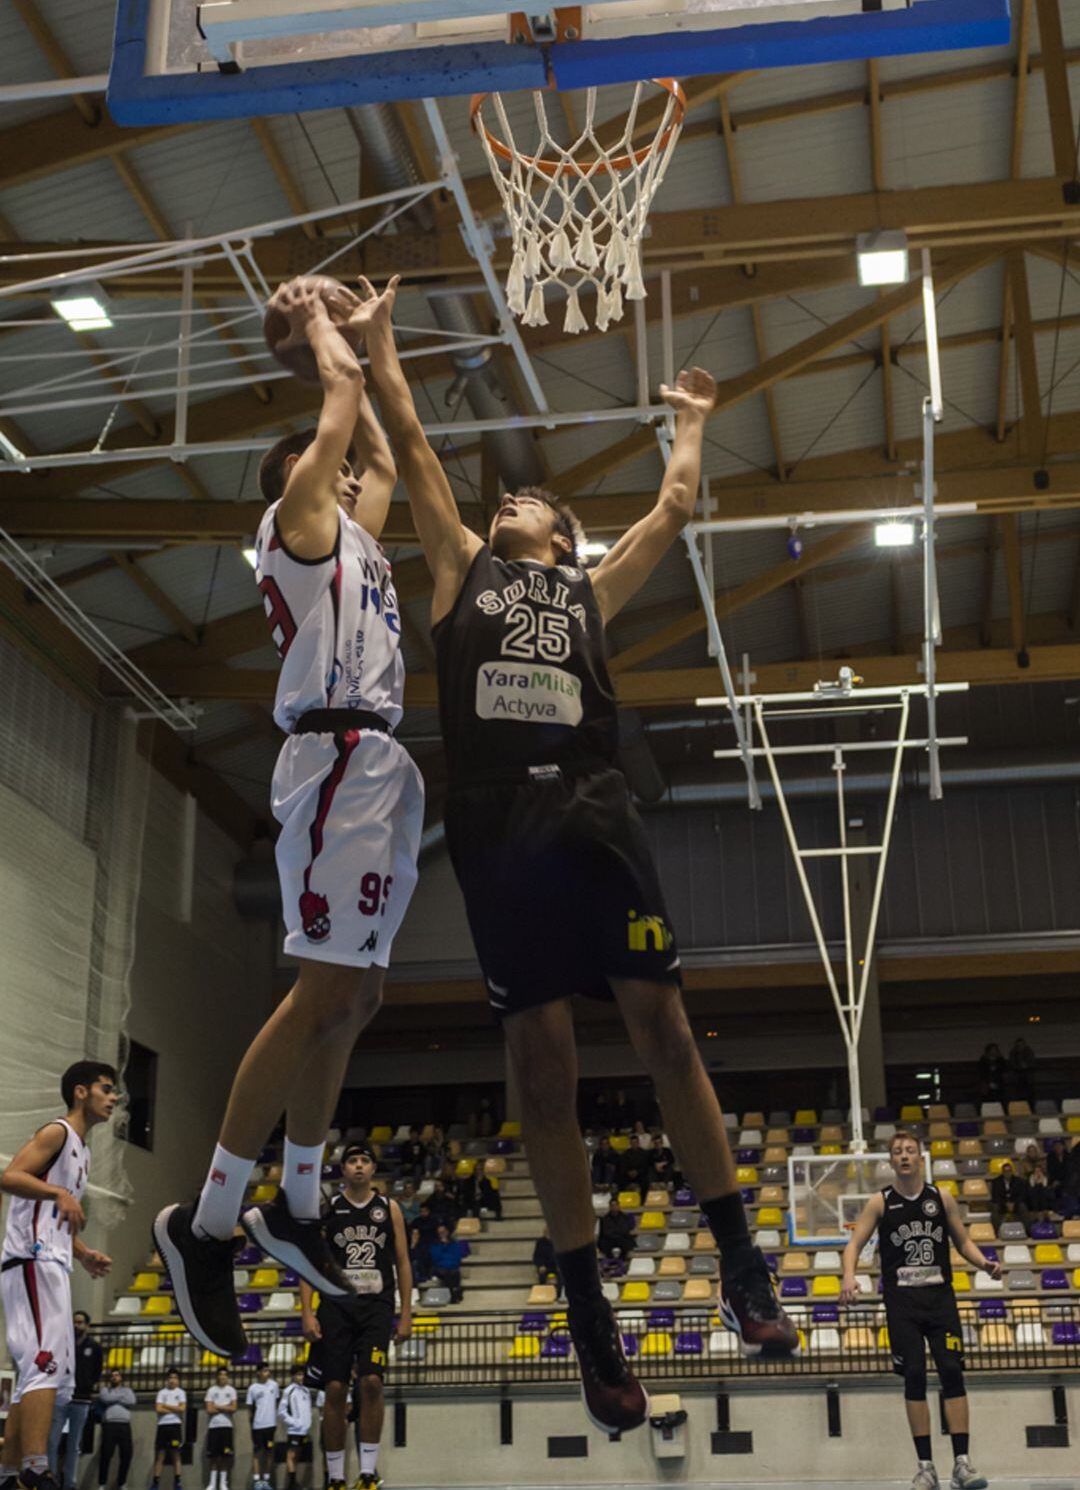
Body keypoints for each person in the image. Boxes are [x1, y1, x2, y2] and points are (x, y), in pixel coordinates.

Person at [361, 280, 797, 1433]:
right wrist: (378, 342)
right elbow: (408, 436)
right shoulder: (461, 567)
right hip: (500, 825)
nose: (509, 498)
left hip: (597, 812)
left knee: (663, 1029)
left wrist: (692, 419)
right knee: (544, 1072)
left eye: (532, 500)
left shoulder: (589, 589)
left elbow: (673, 507)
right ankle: (596, 1334)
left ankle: (743, 1263)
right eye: (505, 496)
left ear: (560, 537)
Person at [154, 276, 424, 1359]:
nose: (356, 475)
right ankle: (208, 1221)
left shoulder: (355, 537)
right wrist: (323, 328)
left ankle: (296, 1200)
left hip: (383, 759)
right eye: (335, 464)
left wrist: (382, 335)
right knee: (320, 984)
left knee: (360, 991)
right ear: (303, 484)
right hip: (334, 752)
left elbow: (390, 459)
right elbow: (346, 407)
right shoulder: (297, 520)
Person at [841, 1130, 1001, 1490]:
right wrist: (849, 1276)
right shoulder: (880, 1202)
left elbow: (961, 1240)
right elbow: (854, 1244)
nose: (904, 1156)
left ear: (921, 1157)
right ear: (891, 1160)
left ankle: (962, 1463)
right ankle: (926, 1467)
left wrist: (983, 1264)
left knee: (951, 1373)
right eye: (898, 1151)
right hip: (902, 1304)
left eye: (910, 1150)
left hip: (940, 1301)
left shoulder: (940, 1198)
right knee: (914, 1375)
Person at [0, 1062, 116, 1490]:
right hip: (30, 1261)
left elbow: (52, 1214)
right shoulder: (57, 1132)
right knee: (44, 1366)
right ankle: (35, 1465)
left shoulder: (82, 1151)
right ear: (81, 1092)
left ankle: (9, 1474)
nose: (114, 1097)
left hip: (54, 1262)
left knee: (45, 1374)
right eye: (106, 1089)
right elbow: (9, 1177)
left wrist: (82, 1252)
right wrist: (59, 1191)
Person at [301, 1144, 412, 1490]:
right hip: (335, 1305)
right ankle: (335, 1477)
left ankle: (367, 1473)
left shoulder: (388, 1208)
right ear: (343, 1170)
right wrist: (306, 1311)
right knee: (334, 1388)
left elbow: (403, 1262)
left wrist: (407, 1312)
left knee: (372, 1382)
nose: (359, 1166)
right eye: (353, 1160)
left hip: (376, 1305)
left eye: (365, 1160)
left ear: (373, 1169)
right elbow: (309, 1259)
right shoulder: (329, 1207)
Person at [49, 1310, 102, 1489]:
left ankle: (70, 1483)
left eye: (80, 1322)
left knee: (74, 1444)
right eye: (74, 1322)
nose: (76, 1325)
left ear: (87, 1326)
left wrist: (86, 1385)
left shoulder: (94, 1347)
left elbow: (97, 1372)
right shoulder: (64, 1346)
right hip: (62, 1398)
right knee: (52, 1441)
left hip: (82, 1400)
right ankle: (51, 1479)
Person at [94, 1372, 135, 1490]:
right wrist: (121, 1397)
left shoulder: (127, 1390)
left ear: (121, 1378)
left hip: (124, 1425)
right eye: (112, 1375)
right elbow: (105, 1398)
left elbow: (132, 1400)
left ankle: (121, 1483)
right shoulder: (105, 1390)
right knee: (106, 1454)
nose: (114, 1377)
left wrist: (114, 1398)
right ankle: (102, 1484)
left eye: (117, 1375)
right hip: (109, 1425)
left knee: (127, 1454)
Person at [244, 1364, 278, 1490]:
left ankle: (266, 1480)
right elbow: (249, 1408)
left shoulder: (274, 1385)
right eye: (264, 1371)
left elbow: (276, 1402)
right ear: (258, 1373)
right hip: (258, 1425)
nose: (267, 1373)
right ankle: (257, 1480)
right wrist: (252, 1423)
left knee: (269, 1452)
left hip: (271, 1425)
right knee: (258, 1452)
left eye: (268, 1370)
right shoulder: (253, 1388)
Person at [150, 1370, 185, 1490]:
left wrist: (166, 1405)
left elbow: (182, 1408)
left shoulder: (181, 1392)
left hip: (175, 1425)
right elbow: (158, 1409)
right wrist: (174, 1408)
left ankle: (178, 1482)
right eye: (170, 1377)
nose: (172, 1380)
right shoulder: (161, 1393)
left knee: (176, 1454)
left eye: (175, 1378)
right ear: (167, 1379)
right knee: (160, 1455)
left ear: (178, 1380)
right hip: (163, 1425)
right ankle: (155, 1483)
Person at [276, 1370, 312, 1490]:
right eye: (298, 1374)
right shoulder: (289, 1390)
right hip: (294, 1430)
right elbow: (281, 1411)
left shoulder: (306, 1390)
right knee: (291, 1454)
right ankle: (291, 1483)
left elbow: (308, 1409)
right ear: (293, 1376)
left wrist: (307, 1423)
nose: (301, 1377)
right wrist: (294, 1422)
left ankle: (295, 1481)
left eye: (302, 1374)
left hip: (304, 1430)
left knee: (298, 1455)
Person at [202, 1368, 237, 1490]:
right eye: (220, 1375)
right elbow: (209, 1409)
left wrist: (217, 1406)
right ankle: (212, 1483)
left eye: (225, 1375)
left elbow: (233, 1408)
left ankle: (223, 1483)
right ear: (217, 1377)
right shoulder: (211, 1390)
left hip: (227, 1426)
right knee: (213, 1456)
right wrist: (225, 1407)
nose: (222, 1377)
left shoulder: (231, 1390)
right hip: (214, 1426)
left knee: (225, 1456)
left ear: (227, 1377)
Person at [989, 1160, 1030, 1235]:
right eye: (1005, 1171)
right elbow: (995, 1197)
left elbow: (1022, 1195)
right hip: (1002, 1204)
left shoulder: (1019, 1181)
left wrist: (1014, 1203)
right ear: (1002, 1172)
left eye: (1009, 1171)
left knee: (1023, 1207)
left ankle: (1027, 1231)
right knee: (995, 1208)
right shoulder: (996, 1182)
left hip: (1015, 1204)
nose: (1007, 1173)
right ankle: (996, 1232)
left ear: (1012, 1171)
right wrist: (1005, 1204)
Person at [428, 1224, 466, 1304]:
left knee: (455, 1272)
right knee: (447, 1272)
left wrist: (451, 1264)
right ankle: (455, 1293)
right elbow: (435, 1258)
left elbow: (457, 1257)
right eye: (440, 1233)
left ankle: (454, 1293)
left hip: (452, 1266)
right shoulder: (434, 1245)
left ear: (447, 1232)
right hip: (439, 1267)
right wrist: (443, 1246)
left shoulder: (454, 1244)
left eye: (443, 1232)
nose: (442, 1234)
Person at [597, 1199, 636, 1266]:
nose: (614, 1207)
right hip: (610, 1239)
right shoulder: (605, 1219)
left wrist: (615, 1232)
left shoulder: (625, 1217)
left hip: (622, 1238)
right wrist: (616, 1233)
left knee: (626, 1243)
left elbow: (625, 1230)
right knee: (604, 1244)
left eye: (615, 1205)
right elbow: (606, 1232)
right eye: (612, 1205)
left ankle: (621, 1261)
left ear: (618, 1206)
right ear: (609, 1207)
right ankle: (611, 1262)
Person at [617, 1135, 651, 1203]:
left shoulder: (644, 1153)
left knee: (645, 1182)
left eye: (635, 1142)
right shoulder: (625, 1154)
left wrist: (637, 1171)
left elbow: (645, 1166)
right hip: (628, 1174)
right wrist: (628, 1172)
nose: (634, 1144)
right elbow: (623, 1165)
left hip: (640, 1174)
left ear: (638, 1143)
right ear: (630, 1143)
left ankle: (643, 1201)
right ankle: (623, 1200)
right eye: (632, 1143)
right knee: (620, 1180)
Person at [532, 1227, 562, 1296]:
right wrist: (540, 1265)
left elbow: (562, 1255)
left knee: (562, 1276)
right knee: (542, 1276)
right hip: (545, 1266)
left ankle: (560, 1294)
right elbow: (536, 1256)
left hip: (557, 1266)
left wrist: (560, 1265)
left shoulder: (559, 1241)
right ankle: (543, 1294)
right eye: (547, 1232)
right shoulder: (540, 1242)